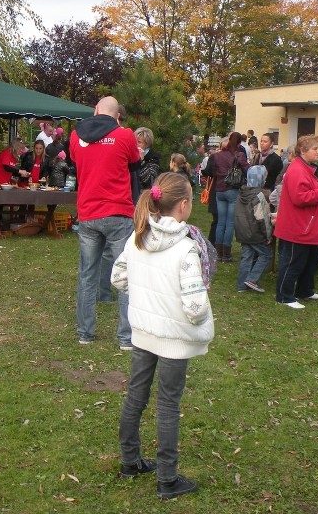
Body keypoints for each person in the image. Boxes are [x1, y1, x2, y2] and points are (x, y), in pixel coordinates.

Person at [111, 172, 214, 500]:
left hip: (143, 334)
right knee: (168, 405)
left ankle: (130, 461)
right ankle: (167, 479)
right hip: (173, 339)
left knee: (135, 397)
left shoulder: (137, 238)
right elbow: (195, 307)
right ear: (184, 205)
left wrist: (143, 295)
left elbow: (118, 278)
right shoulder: (186, 250)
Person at [69, 96, 141, 348]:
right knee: (125, 274)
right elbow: (135, 165)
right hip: (118, 214)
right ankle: (125, 337)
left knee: (87, 275)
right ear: (116, 114)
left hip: (88, 214)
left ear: (96, 110)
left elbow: (77, 162)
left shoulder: (76, 136)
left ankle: (85, 333)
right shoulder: (125, 136)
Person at [273, 135, 318, 309]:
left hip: (309, 225)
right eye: (315, 149)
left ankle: (304, 290)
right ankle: (284, 296)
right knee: (293, 262)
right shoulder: (296, 170)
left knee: (312, 260)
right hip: (297, 226)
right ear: (303, 151)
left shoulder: (307, 169)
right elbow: (300, 198)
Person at [202, 131, 248, 262]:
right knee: (229, 223)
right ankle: (226, 254)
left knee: (220, 223)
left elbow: (210, 171)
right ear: (239, 142)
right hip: (232, 189)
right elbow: (247, 170)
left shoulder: (218, 156)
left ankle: (218, 252)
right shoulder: (239, 155)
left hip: (219, 190)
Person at [234, 165, 273, 293]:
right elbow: (263, 219)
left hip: (243, 231)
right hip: (255, 233)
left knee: (247, 256)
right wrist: (268, 236)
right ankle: (252, 279)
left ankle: (242, 285)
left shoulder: (241, 193)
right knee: (266, 254)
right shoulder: (259, 196)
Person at [134, 127, 161, 194]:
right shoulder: (131, 154)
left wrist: (142, 162)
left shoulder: (153, 158)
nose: (136, 144)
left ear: (147, 144)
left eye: (139, 142)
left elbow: (149, 180)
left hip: (143, 195)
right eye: (135, 141)